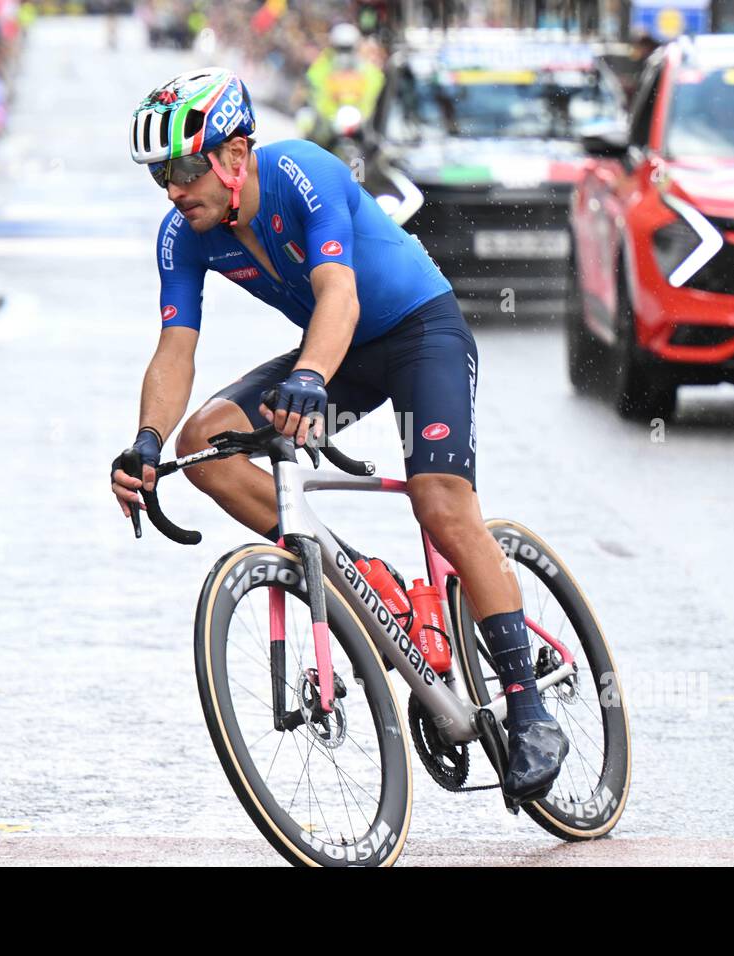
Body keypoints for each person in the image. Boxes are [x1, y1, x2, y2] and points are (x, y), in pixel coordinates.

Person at [110, 68, 569, 801]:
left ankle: (529, 704)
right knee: (208, 443)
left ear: (235, 155)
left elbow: (339, 292)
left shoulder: (303, 171)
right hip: (338, 355)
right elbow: (175, 350)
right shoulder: (184, 235)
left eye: (187, 167)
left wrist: (312, 379)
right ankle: (363, 579)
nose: (174, 188)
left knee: (441, 504)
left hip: (419, 333)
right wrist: (145, 443)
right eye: (162, 173)